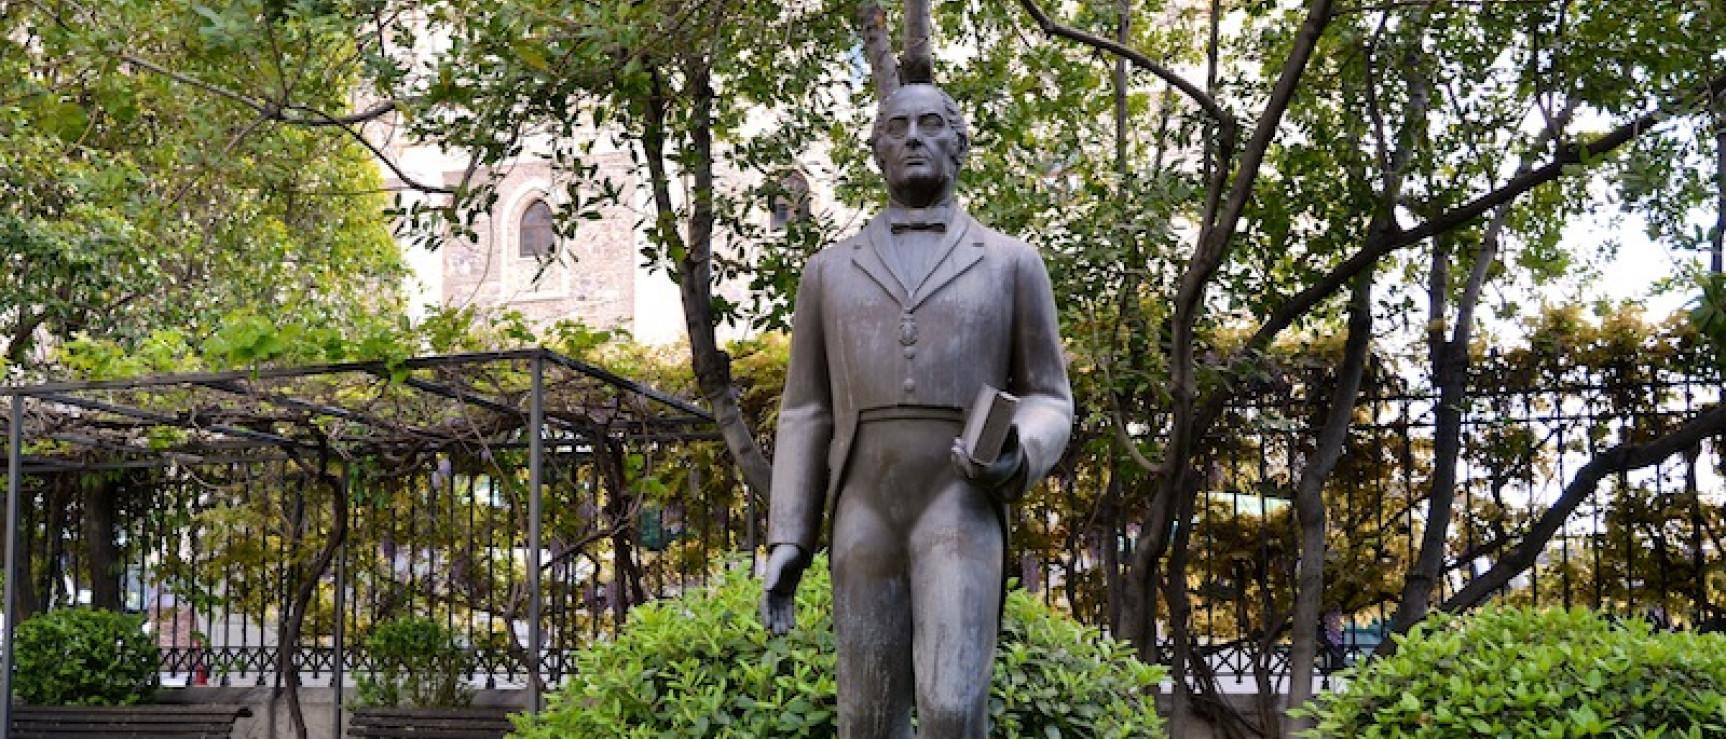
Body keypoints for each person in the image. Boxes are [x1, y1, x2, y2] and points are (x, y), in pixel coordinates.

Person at [758, 82, 1073, 739]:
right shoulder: (827, 271)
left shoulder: (1013, 263)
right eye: (896, 126)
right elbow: (805, 410)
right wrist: (789, 535)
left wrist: (1017, 448)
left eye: (932, 124)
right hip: (862, 507)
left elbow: (1049, 395)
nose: (913, 138)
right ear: (876, 149)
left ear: (960, 145)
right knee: (866, 719)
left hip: (957, 498)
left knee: (953, 709)